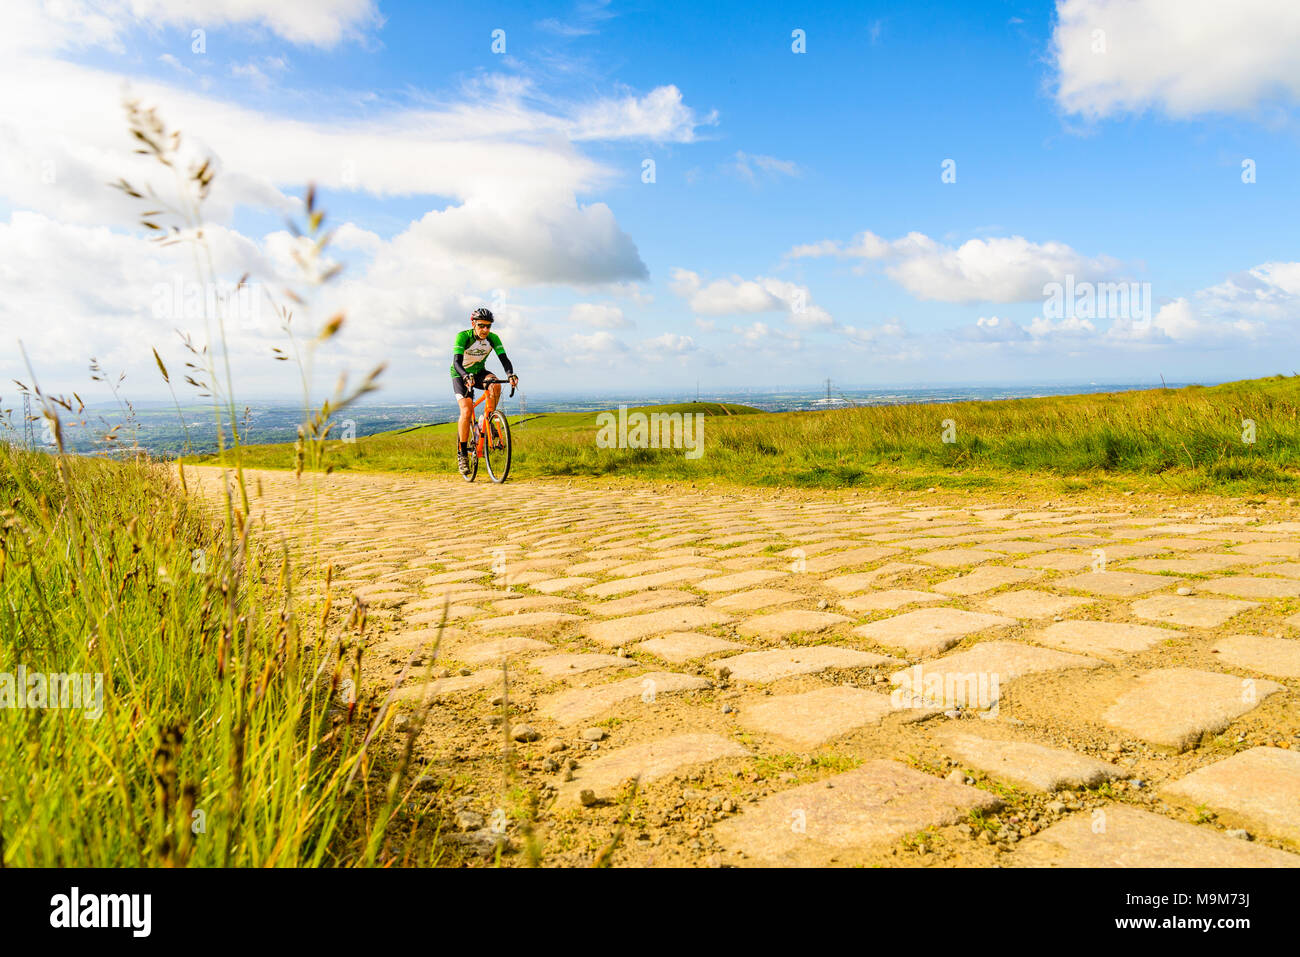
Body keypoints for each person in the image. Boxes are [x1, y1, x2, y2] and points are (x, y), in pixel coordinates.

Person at [450, 307, 518, 475]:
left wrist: (510, 374)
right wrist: (465, 376)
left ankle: (487, 419)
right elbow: (456, 362)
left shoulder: (493, 338)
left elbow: (504, 359)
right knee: (466, 411)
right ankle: (463, 454)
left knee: (495, 384)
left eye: (488, 326)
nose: (485, 330)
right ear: (473, 324)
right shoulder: (463, 336)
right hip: (460, 374)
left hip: (479, 372)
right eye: (481, 326)